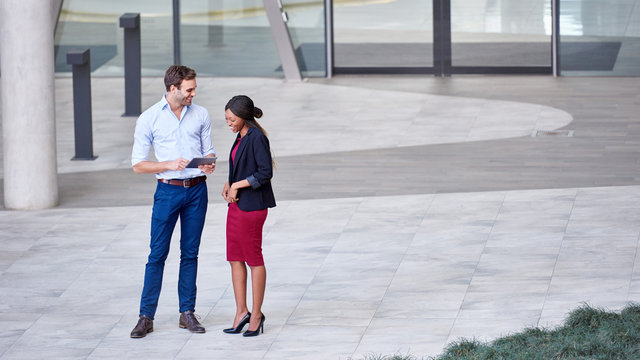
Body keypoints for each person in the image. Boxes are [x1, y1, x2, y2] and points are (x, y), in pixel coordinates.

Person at [129, 65, 216, 338]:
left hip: (196, 191)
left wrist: (209, 164)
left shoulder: (200, 114)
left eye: (194, 89)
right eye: (189, 89)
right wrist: (168, 164)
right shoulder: (149, 118)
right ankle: (146, 316)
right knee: (157, 254)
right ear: (172, 89)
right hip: (167, 191)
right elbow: (138, 165)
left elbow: (208, 150)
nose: (193, 93)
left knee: (190, 253)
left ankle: (187, 312)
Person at [221, 95, 276, 337]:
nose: (229, 123)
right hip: (236, 206)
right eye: (226, 119)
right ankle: (241, 311)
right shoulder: (240, 136)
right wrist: (229, 182)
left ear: (243, 116)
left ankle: (256, 314)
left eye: (232, 119)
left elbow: (264, 173)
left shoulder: (257, 138)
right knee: (235, 258)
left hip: (252, 207)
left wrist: (238, 185)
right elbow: (241, 165)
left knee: (253, 259)